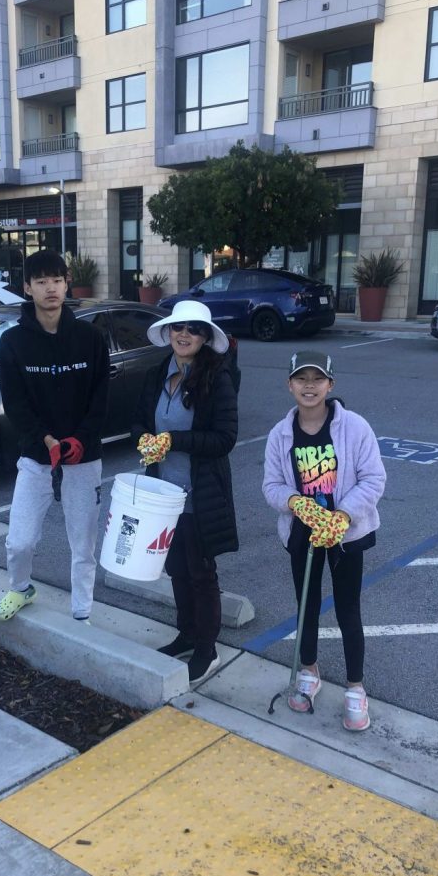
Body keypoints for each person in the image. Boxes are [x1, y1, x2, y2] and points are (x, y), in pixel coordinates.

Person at [262, 350, 385, 731]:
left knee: (348, 607)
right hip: (303, 533)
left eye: (318, 379)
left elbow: (373, 478)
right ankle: (310, 671)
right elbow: (272, 485)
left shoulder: (355, 427)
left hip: (345, 534)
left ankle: (355, 688)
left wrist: (343, 515)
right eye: (301, 378)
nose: (309, 385)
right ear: (290, 385)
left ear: (330, 385)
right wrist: (295, 502)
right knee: (307, 605)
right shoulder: (280, 434)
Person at [0, 249, 110, 623]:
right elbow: (15, 403)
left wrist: (79, 439)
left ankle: (82, 611)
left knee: (83, 543)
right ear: (27, 288)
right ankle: (20, 588)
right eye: (40, 281)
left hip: (84, 456)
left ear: (66, 283)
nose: (50, 288)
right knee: (20, 540)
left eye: (56, 280)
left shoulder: (90, 338)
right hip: (35, 455)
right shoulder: (13, 342)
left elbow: (100, 398)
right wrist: (45, 439)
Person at [132, 300, 239, 689]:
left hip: (199, 493)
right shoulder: (158, 372)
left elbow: (225, 438)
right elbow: (141, 422)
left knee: (201, 571)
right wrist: (144, 438)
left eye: (193, 330)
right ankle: (187, 634)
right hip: (162, 494)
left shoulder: (218, 377)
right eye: (178, 328)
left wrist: (174, 440)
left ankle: (206, 648)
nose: (184, 335)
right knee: (176, 568)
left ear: (205, 338)